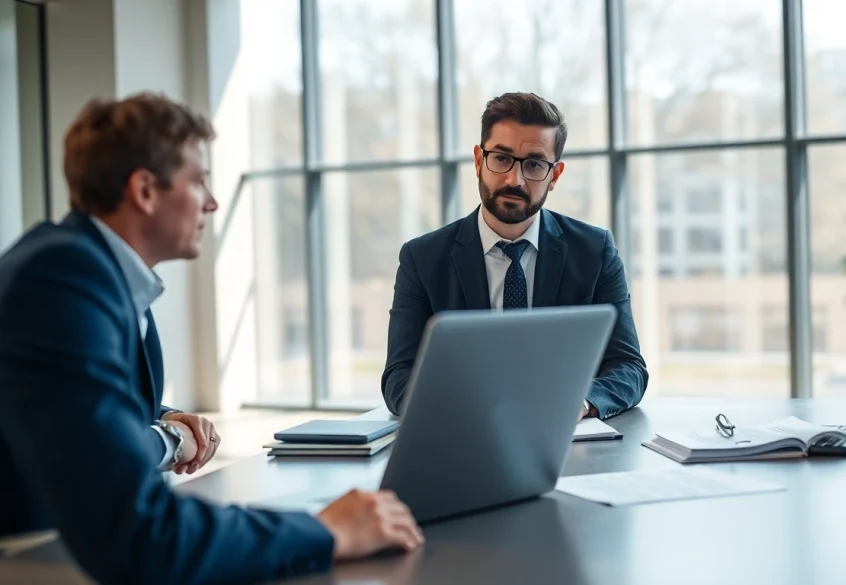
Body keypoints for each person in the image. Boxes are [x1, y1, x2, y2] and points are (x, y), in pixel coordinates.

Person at [0, 93, 422, 584]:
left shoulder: (95, 272)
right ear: (145, 191)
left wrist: (157, 416)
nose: (212, 202)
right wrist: (327, 531)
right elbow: (143, 536)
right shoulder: (61, 282)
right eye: (198, 180)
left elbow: (71, 398)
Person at [382, 92, 648, 420]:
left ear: (554, 176)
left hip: (566, 439)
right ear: (478, 161)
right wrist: (470, 410)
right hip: (463, 432)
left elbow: (629, 367)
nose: (514, 179)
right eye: (501, 158)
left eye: (534, 164)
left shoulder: (595, 251)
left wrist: (577, 404)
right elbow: (398, 377)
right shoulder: (422, 258)